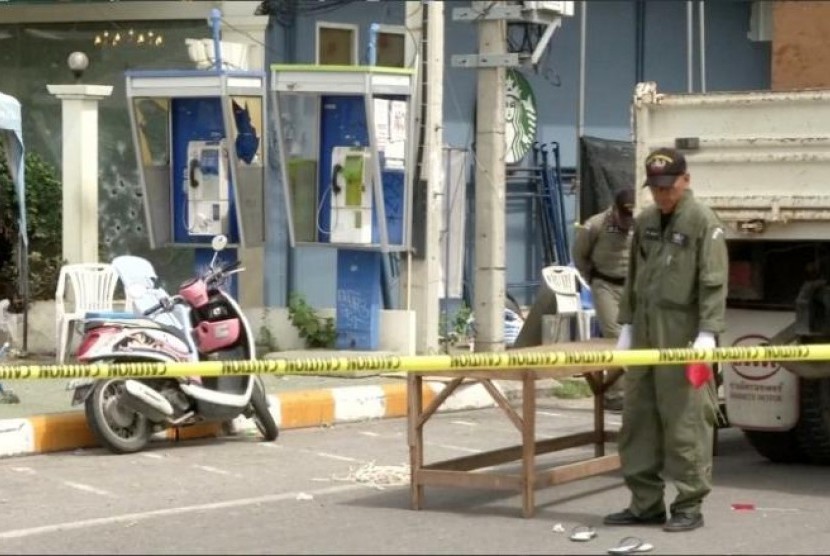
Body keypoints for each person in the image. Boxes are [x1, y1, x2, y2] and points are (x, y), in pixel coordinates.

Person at [603, 147, 728, 533]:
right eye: (656, 189)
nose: (662, 195)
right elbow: (634, 276)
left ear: (685, 181)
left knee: (687, 421)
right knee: (638, 419)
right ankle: (646, 504)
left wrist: (708, 332)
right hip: (644, 331)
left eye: (668, 187)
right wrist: (625, 326)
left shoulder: (703, 222)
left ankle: (689, 503)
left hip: (685, 334)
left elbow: (713, 281)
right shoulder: (646, 220)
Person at [571, 187, 635, 412]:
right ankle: (615, 393)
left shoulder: (643, 224)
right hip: (605, 285)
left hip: (632, 286)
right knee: (616, 337)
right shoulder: (595, 225)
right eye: (624, 216)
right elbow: (579, 255)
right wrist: (593, 280)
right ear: (614, 210)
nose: (627, 222)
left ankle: (637, 390)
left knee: (640, 337)